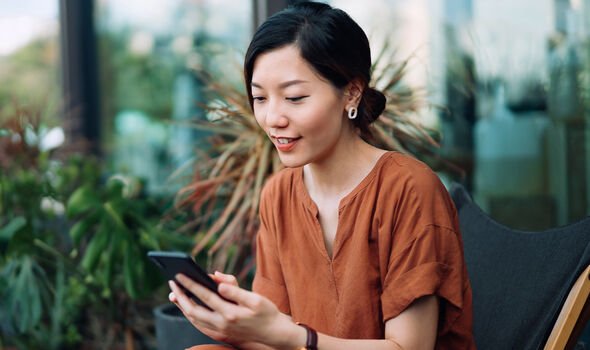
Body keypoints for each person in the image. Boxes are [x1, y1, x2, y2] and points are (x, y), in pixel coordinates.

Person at [168, 2, 476, 349]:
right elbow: (279, 341)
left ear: (351, 92)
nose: (273, 118)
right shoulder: (279, 194)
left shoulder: (409, 188)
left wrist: (291, 335)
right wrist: (236, 324)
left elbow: (408, 347)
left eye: (294, 97)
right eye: (260, 98)